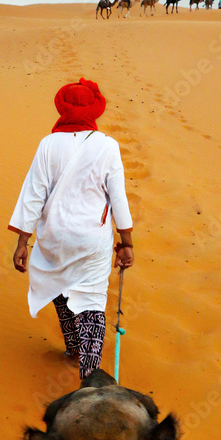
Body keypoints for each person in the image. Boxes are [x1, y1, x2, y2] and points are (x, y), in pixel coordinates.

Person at [9, 78, 134, 379]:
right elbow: (118, 197)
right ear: (95, 109)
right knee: (92, 301)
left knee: (59, 288)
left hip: (54, 236)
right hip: (92, 240)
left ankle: (73, 347)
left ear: (62, 107)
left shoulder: (48, 144)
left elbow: (33, 194)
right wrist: (126, 241)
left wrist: (22, 242)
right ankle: (90, 377)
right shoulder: (108, 146)